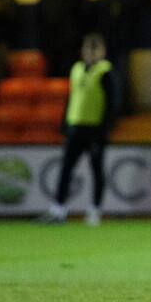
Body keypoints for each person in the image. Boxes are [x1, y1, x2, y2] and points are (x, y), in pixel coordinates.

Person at [38, 33, 118, 226]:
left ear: (102, 52)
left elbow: (112, 103)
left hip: (94, 129)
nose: (90, 53)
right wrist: (65, 123)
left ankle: (94, 211)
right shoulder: (77, 69)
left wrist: (105, 128)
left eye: (95, 49)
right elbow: (72, 97)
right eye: (88, 49)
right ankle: (58, 209)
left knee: (96, 170)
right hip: (76, 127)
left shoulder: (105, 71)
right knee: (66, 169)